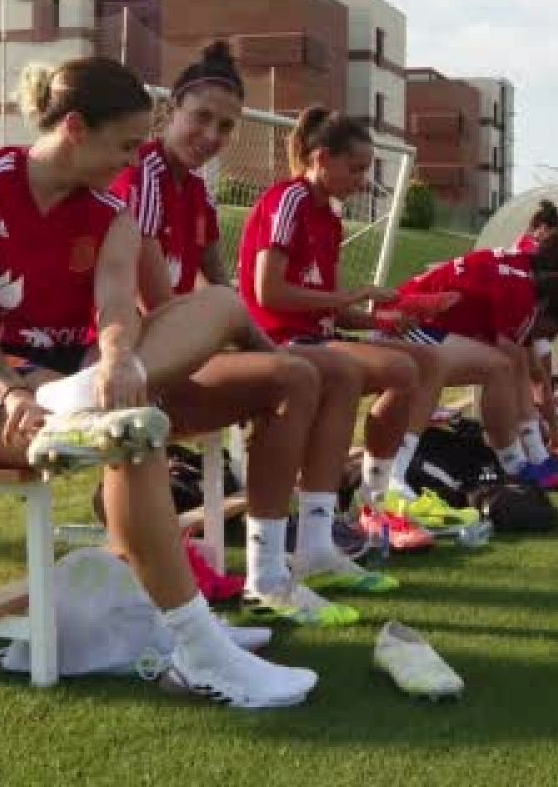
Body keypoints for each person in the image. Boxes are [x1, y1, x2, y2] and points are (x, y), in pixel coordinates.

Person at [0, 56, 315, 707]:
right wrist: (11, 391)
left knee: (219, 310)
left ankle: (83, 404)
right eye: (124, 145)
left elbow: (117, 303)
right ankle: (202, 650)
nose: (131, 162)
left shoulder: (109, 212)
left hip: (70, 375)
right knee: (132, 433)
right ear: (73, 127)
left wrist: (121, 360)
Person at [110, 42, 388, 629]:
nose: (212, 134)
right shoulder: (147, 177)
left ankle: (312, 545)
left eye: (226, 126)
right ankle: (267, 575)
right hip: (146, 364)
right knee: (295, 374)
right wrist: (248, 340)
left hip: (191, 352)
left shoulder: (197, 189)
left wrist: (242, 334)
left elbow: (221, 283)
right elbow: (161, 308)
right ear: (171, 111)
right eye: (201, 118)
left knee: (334, 372)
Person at [238, 105, 460, 548]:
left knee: (427, 360)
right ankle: (356, 504)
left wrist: (381, 320)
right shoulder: (290, 199)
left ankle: (380, 493)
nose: (362, 180)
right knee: (399, 370)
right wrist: (352, 298)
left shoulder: (330, 217)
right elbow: (269, 293)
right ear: (320, 158)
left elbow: (327, 306)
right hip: (276, 340)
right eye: (355, 168)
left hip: (315, 336)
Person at [389, 236, 558, 483]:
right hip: (401, 323)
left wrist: (544, 449)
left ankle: (529, 461)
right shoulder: (519, 291)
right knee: (499, 368)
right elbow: (523, 373)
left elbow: (531, 373)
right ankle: (513, 465)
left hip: (416, 321)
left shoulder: (524, 276)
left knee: (506, 365)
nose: (548, 338)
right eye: (552, 332)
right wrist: (541, 443)